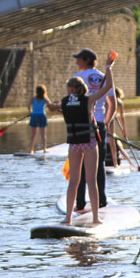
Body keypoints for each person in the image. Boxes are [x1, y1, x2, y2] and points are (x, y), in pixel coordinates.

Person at [48, 52, 116, 225]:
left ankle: (68, 218)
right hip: (89, 143)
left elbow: (51, 107)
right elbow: (108, 87)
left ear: (70, 89)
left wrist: (47, 102)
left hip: (74, 146)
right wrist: (108, 68)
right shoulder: (88, 101)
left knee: (74, 182)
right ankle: (95, 217)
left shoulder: (64, 102)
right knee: (91, 181)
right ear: (81, 89)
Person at [72, 48, 116, 210]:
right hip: (99, 125)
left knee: (80, 164)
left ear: (85, 60)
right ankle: (102, 201)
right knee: (99, 164)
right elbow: (113, 105)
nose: (76, 62)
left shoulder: (77, 78)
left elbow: (72, 104)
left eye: (78, 59)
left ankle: (80, 202)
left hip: (81, 125)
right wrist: (104, 123)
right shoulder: (104, 77)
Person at [106, 87, 134, 169]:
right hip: (110, 122)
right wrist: (124, 130)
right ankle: (116, 164)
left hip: (102, 121)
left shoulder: (105, 99)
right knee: (113, 143)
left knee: (114, 142)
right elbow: (122, 117)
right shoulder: (119, 102)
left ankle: (129, 162)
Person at [27, 85, 53, 153]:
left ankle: (31, 150)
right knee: (43, 134)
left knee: (33, 134)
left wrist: (30, 112)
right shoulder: (45, 98)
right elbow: (50, 105)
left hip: (34, 116)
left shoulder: (33, 98)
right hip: (42, 115)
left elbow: (28, 106)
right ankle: (44, 149)